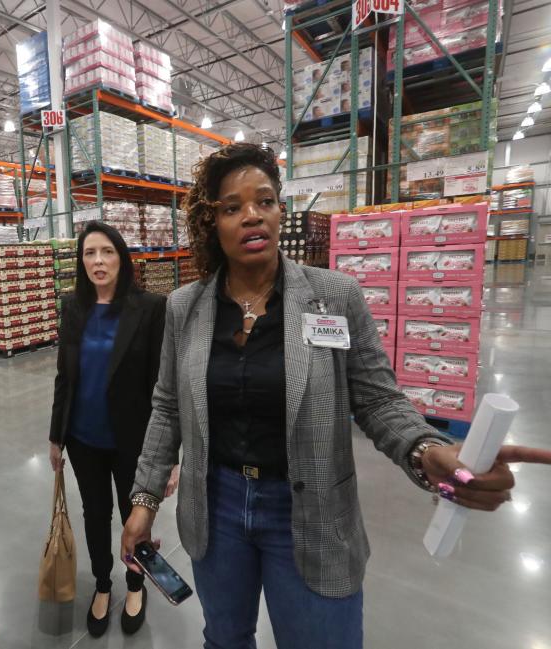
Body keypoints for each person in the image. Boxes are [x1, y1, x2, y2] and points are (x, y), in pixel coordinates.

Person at [120, 143, 551, 649]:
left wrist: (427, 449)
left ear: (282, 210)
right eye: (232, 207)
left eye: (264, 201)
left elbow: (376, 399)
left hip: (310, 509)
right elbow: (168, 405)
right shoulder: (183, 308)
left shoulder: (336, 296)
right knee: (225, 638)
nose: (251, 216)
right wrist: (144, 500)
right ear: (212, 223)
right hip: (215, 507)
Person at [48, 221, 166, 637]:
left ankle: (136, 582)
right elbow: (65, 375)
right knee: (95, 515)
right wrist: (55, 435)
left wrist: (166, 458)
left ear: (122, 257)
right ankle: (103, 583)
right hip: (83, 439)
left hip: (133, 440)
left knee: (135, 515)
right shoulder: (74, 306)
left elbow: (162, 386)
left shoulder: (150, 308)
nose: (98, 261)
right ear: (81, 261)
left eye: (107, 252)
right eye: (89, 254)